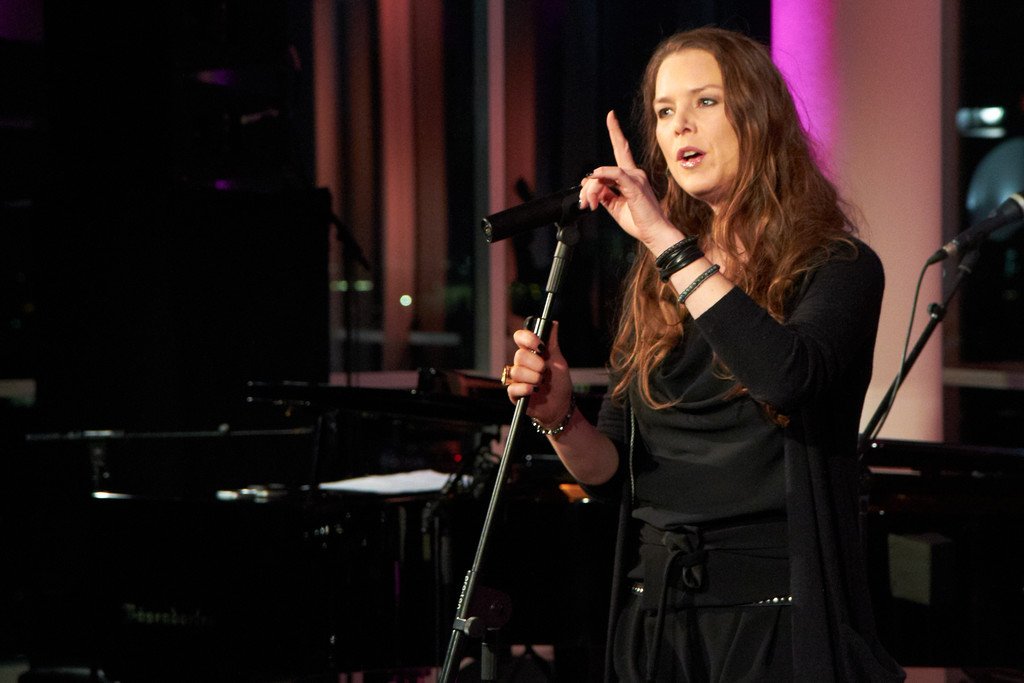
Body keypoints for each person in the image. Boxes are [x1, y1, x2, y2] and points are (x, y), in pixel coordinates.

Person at [501, 27, 905, 682]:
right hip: (657, 618)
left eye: (705, 101)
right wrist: (560, 416)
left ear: (759, 116)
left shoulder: (840, 266)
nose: (680, 124)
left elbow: (786, 375)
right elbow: (612, 471)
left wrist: (664, 239)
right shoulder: (656, 284)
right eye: (664, 111)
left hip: (778, 620)